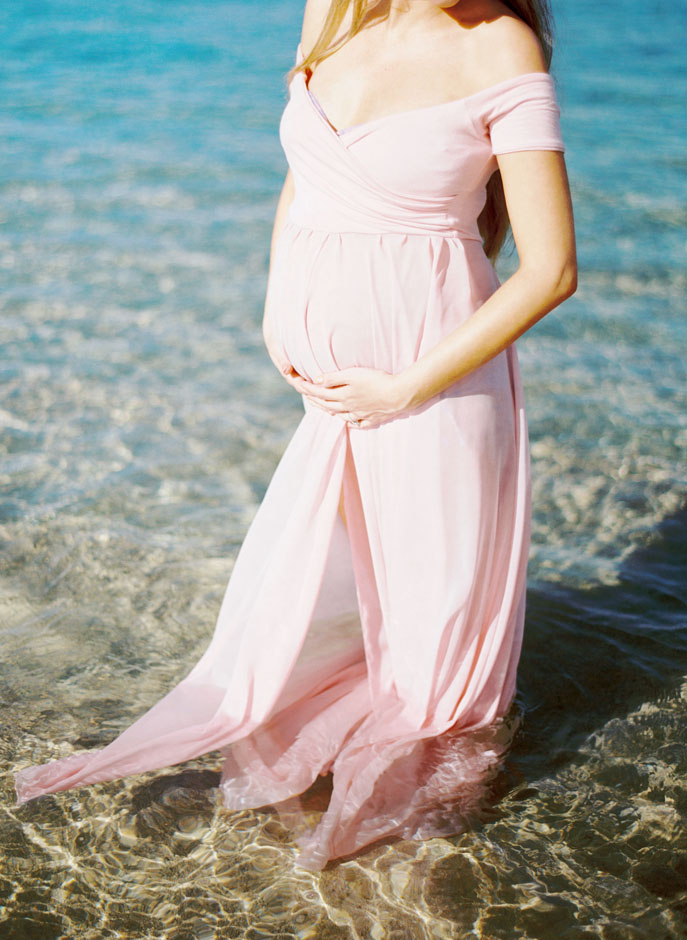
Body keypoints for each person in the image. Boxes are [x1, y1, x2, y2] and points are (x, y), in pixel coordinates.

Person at [15, 0, 576, 870]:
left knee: (439, 652)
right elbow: (304, 169)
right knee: (333, 598)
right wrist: (277, 298)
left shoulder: (496, 42)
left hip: (433, 380)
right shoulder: (335, 9)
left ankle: (432, 874)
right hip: (339, 391)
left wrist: (406, 385)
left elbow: (549, 268)